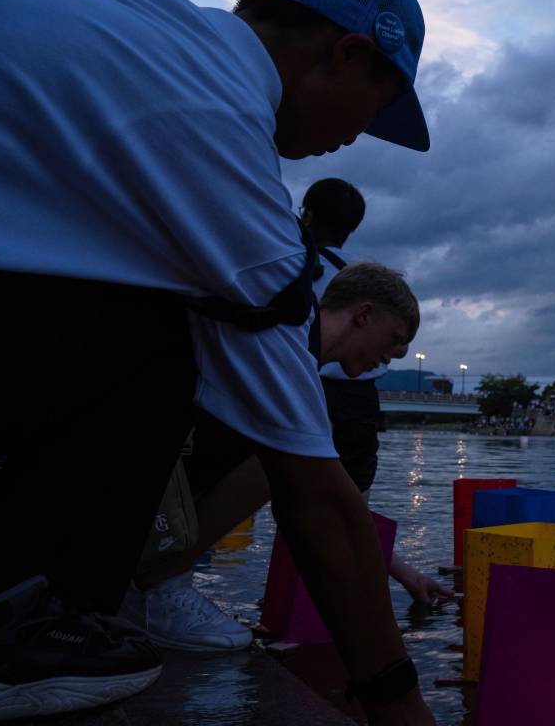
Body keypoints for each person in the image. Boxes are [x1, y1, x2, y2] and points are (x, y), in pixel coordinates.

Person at [0, 0, 436, 724]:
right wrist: (398, 706)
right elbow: (316, 499)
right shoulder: (224, 150)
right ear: (346, 53)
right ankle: (21, 627)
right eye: (380, 106)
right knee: (168, 338)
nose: (360, 135)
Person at [123, 208, 452, 652]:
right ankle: (155, 586)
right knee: (275, 462)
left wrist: (407, 575)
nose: (392, 358)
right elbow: (329, 505)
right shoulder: (288, 348)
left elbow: (335, 505)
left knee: (294, 460)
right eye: (394, 340)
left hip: (150, 457)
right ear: (364, 315)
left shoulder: (297, 345)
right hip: (144, 453)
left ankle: (153, 575)